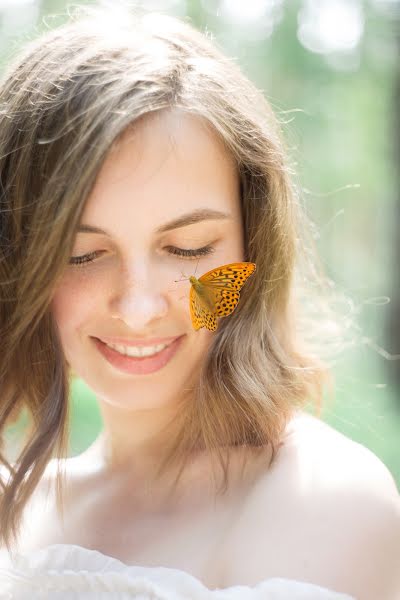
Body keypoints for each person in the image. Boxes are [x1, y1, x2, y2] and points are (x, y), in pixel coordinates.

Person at [0, 5, 398, 600]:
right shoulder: (24, 504)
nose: (138, 308)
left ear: (252, 248)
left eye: (189, 248)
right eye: (82, 255)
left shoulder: (322, 499)